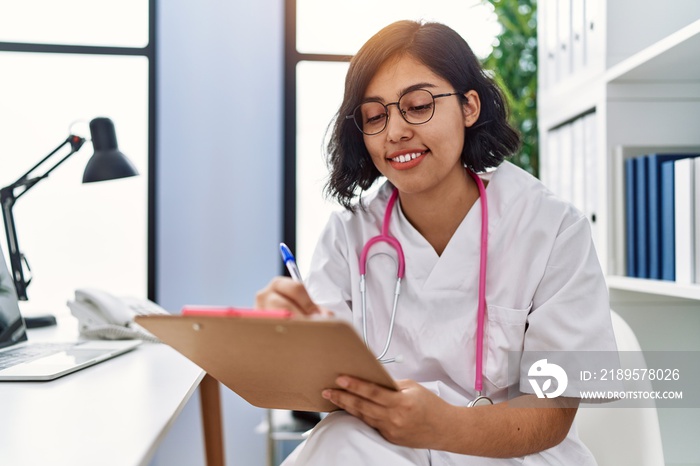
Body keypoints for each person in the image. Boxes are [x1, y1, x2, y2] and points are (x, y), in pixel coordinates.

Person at [256, 20, 618, 465]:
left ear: (469, 106)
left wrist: (442, 425)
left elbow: (554, 411)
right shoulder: (349, 236)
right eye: (375, 115)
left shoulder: (551, 228)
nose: (395, 132)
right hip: (385, 450)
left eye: (418, 105)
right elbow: (326, 393)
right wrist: (288, 344)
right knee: (336, 441)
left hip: (510, 453)